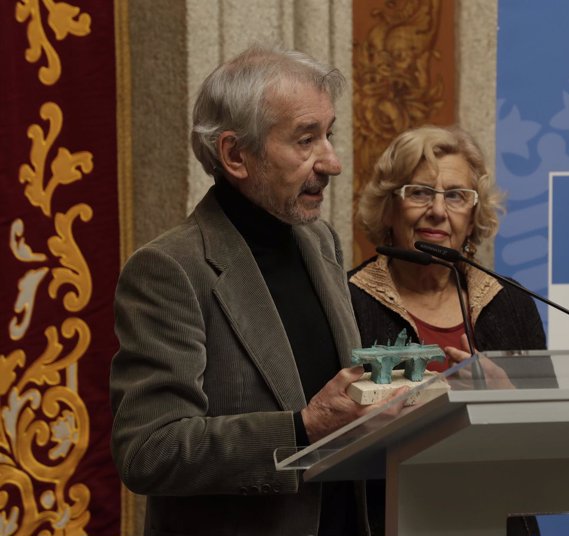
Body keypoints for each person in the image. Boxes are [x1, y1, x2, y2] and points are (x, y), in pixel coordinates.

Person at [110, 46, 404, 536]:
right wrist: (299, 430)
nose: (331, 162)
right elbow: (149, 450)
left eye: (328, 136)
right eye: (305, 140)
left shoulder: (319, 241)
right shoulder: (169, 269)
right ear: (235, 155)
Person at [348, 125, 546, 536]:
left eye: (456, 196)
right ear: (389, 208)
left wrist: (509, 402)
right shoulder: (343, 301)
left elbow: (545, 448)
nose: (438, 211)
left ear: (474, 217)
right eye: (419, 192)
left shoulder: (511, 304)